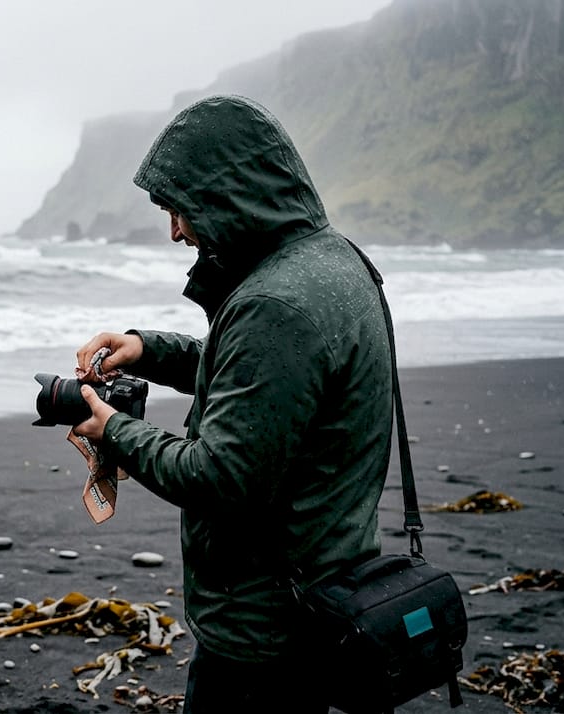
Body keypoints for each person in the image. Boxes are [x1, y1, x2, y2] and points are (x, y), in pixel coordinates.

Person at [70, 95, 392, 713]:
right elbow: (268, 387)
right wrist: (146, 349)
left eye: (180, 209)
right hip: (325, 583)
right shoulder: (333, 261)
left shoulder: (276, 303)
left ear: (230, 193)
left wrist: (113, 431)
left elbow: (221, 475)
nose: (175, 231)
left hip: (266, 628)